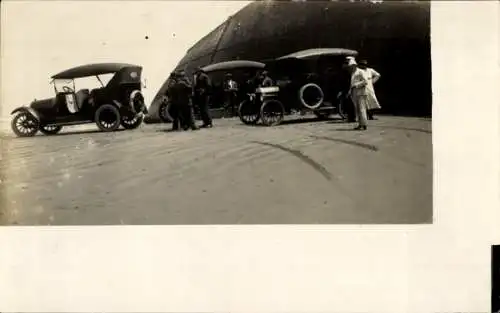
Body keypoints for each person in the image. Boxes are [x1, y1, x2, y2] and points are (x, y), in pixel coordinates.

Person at [347, 57, 369, 130]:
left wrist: (356, 85)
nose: (351, 67)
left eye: (352, 66)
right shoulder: (353, 73)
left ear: (355, 65)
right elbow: (351, 84)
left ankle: (364, 124)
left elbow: (365, 81)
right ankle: (360, 124)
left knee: (362, 109)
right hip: (355, 93)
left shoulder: (361, 72)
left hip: (361, 93)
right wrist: (350, 91)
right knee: (358, 109)